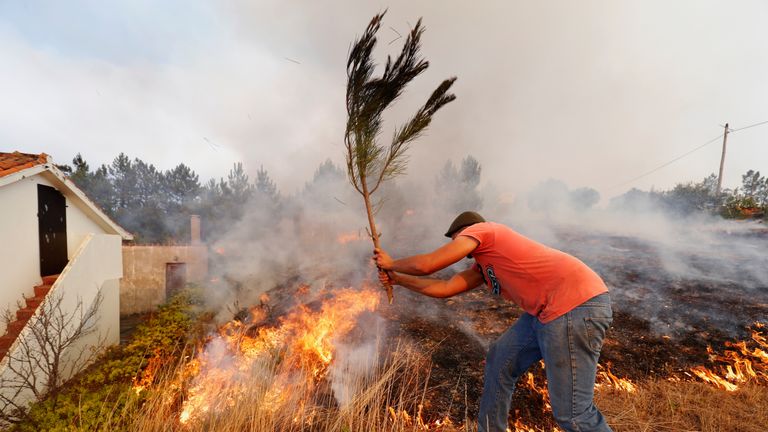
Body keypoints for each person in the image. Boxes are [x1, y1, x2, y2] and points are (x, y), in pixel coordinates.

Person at [373, 211, 613, 432]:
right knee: (499, 359)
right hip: (545, 313)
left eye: (455, 238)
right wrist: (399, 280)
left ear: (465, 231)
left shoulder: (485, 230)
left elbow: (427, 265)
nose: (455, 244)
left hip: (575, 306)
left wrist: (391, 263)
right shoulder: (485, 265)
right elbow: (445, 287)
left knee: (572, 414)